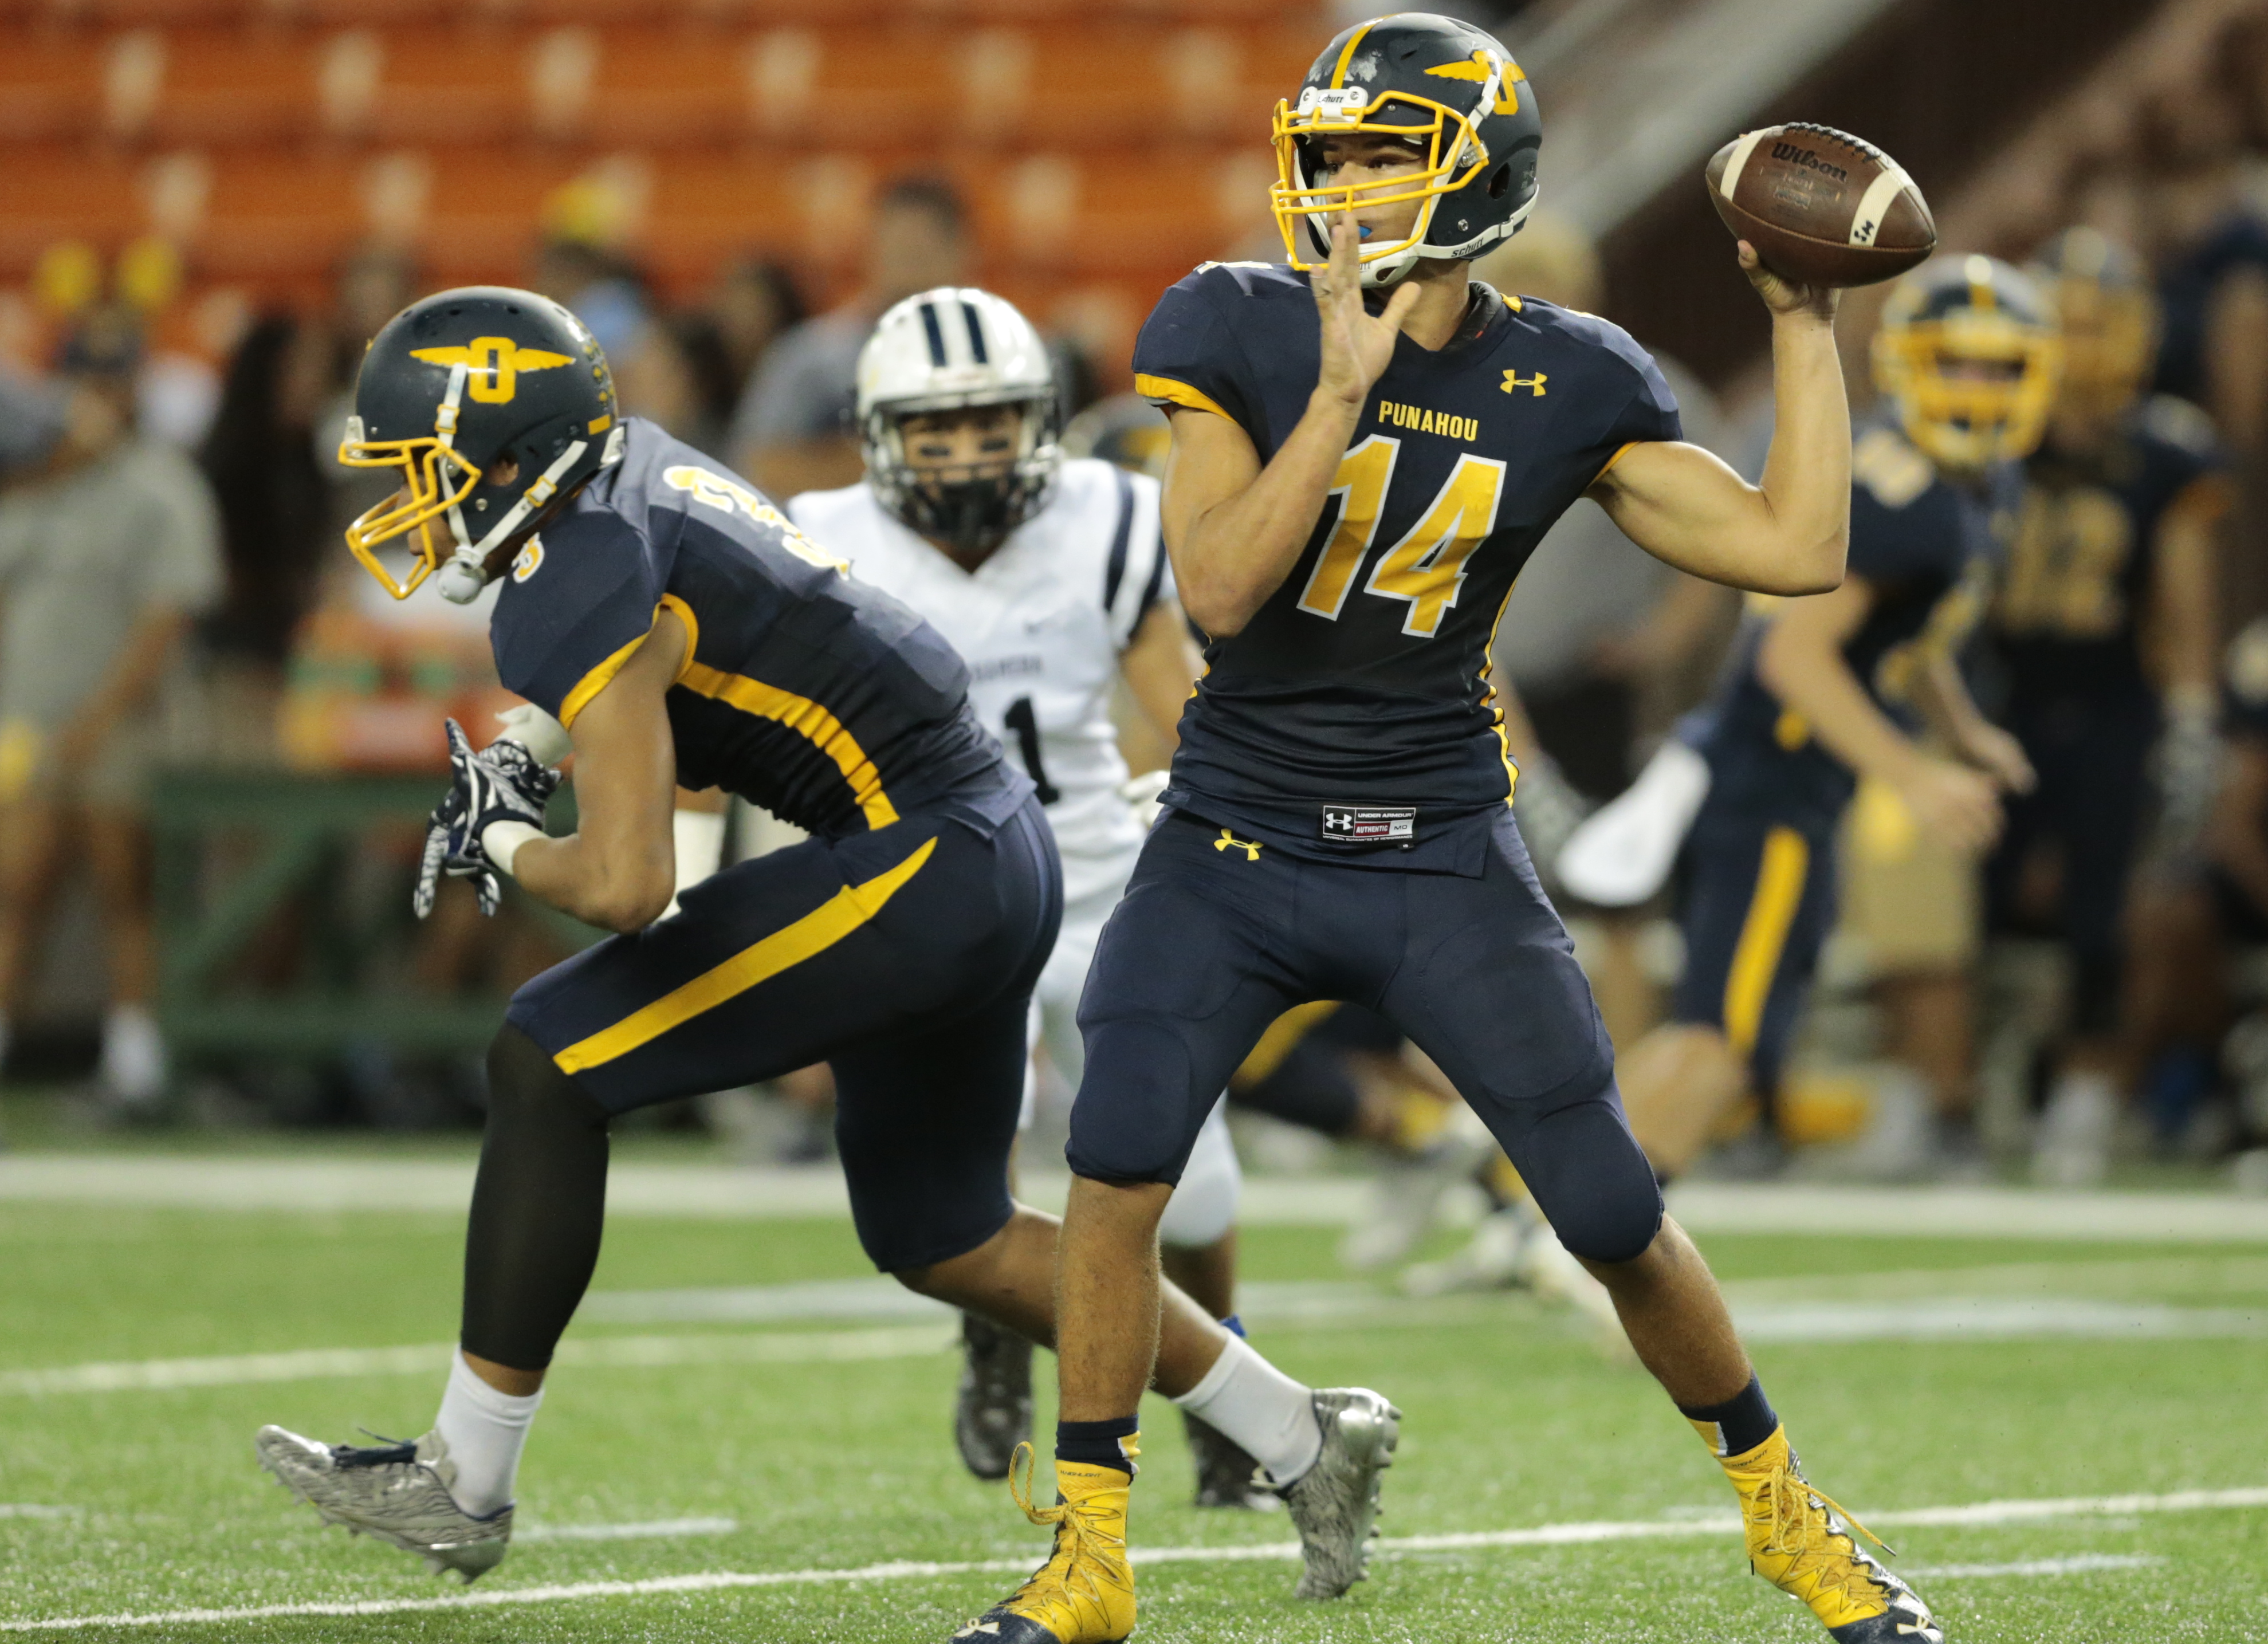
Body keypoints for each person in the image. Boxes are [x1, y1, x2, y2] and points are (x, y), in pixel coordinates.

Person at [956, 17, 1940, 1644]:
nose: (1337, 184)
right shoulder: (1235, 324)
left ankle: (1790, 1516)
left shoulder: (1569, 375)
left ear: (1471, 172)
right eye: (1323, 151)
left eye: (1377, 152)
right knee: (1115, 1163)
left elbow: (1793, 550)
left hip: (1436, 851)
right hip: (1235, 836)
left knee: (1611, 1207)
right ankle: (1088, 1553)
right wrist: (1340, 389)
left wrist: (1801, 327)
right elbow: (1209, 591)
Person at [251, 287, 1381, 1594]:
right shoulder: (636, 474)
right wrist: (517, 753)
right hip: (984, 843)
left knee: (544, 1055)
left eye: (432, 470)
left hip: (919, 860)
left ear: (513, 455)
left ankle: (465, 1476)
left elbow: (626, 885)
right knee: (943, 1233)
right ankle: (1301, 1433)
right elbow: (670, 664)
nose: (417, 503)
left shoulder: (571, 569)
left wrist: (500, 837)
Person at [789, 284, 1270, 1509]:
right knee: (968, 1171)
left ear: (1039, 423)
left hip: (1102, 883)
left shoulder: (1105, 517)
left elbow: (1185, 706)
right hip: (937, 901)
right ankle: (993, 1327)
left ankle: (1232, 1399)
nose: (964, 453)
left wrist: (1230, 817)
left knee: (1198, 1184)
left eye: (990, 424)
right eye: (933, 430)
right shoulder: (820, 539)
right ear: (878, 435)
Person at [1615, 255, 2058, 1191]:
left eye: (1996, 366)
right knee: (1722, 1035)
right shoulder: (1903, 487)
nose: (1974, 387)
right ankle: (1591, 1226)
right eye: (1956, 362)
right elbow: (1795, 656)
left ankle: (1512, 1194)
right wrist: (1914, 773)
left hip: (1780, 785)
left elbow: (1909, 635)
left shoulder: (1972, 480)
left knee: (1725, 1024)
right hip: (1766, 783)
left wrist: (1961, 728)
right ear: (1907, 362)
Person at [1988, 229, 2227, 1185]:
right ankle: (1984, 1088)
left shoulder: (2164, 450)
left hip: (2108, 702)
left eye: (2098, 322)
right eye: (2066, 322)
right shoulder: (1993, 423)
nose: (2083, 343)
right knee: (1988, 903)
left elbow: (2181, 603)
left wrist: (2191, 715)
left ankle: (2084, 1099)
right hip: (1996, 694)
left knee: (2100, 911)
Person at [0, 307, 224, 1112]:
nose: (97, 394)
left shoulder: (158, 485)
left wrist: (97, 716)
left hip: (122, 728)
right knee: (16, 893)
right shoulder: (34, 479)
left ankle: (136, 1068)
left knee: (127, 894)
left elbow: (166, 615)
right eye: (85, 378)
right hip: (27, 723)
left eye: (111, 378)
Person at [730, 177, 973, 501]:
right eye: (898, 248)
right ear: (871, 250)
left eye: (922, 251)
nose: (909, 269)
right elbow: (759, 467)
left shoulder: (1009, 354)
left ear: (962, 253)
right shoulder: (813, 356)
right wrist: (902, 460)